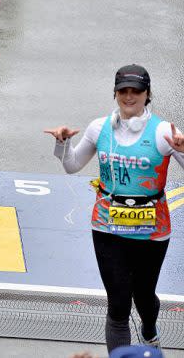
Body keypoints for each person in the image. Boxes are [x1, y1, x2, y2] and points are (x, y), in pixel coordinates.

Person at [44, 65, 184, 353]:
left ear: (147, 95)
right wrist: (63, 143)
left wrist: (181, 150)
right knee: (118, 304)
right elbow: (72, 166)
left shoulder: (163, 132)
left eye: (136, 91)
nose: (129, 97)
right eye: (123, 91)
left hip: (151, 231)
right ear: (115, 93)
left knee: (144, 296)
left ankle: (149, 329)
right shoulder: (99, 128)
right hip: (107, 226)